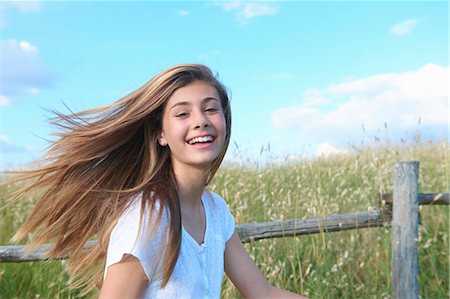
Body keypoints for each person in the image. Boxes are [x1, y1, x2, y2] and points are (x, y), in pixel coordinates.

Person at [10, 64, 308, 298]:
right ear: (161, 134)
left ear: (225, 123)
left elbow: (263, 293)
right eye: (182, 113)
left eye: (210, 108)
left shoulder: (215, 210)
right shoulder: (149, 215)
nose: (200, 120)